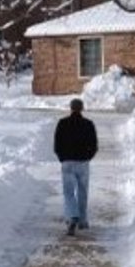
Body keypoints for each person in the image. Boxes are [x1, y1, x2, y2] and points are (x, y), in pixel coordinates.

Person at [53, 98, 98, 236]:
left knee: (68, 192)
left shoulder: (62, 123)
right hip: (83, 162)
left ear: (71, 108)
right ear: (82, 108)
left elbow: (57, 143)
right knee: (83, 191)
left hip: (67, 161)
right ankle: (82, 221)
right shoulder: (88, 124)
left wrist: (62, 157)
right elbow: (94, 144)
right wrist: (88, 157)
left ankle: (72, 216)